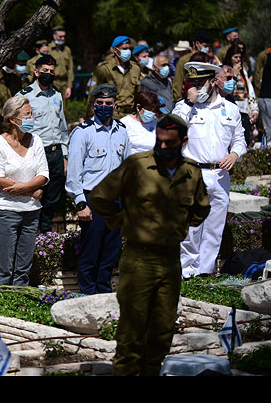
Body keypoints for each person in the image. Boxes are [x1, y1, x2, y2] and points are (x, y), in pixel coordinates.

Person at [88, 113, 210, 376]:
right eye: (160, 140)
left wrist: (178, 226)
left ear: (184, 141)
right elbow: (100, 197)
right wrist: (122, 221)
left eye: (170, 143)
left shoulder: (191, 172)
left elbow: (201, 209)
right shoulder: (137, 166)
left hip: (170, 260)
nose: (163, 147)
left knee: (162, 332)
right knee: (132, 334)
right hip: (138, 259)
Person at [173, 61, 247, 278]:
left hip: (220, 175)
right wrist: (188, 101)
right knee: (191, 229)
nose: (195, 88)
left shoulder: (230, 109)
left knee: (214, 228)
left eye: (200, 83)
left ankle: (204, 273)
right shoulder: (185, 107)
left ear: (213, 81)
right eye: (192, 83)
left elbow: (240, 140)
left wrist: (235, 154)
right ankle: (187, 273)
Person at [65, 83, 132, 295]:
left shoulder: (122, 131)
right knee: (90, 252)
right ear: (94, 104)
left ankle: (103, 292)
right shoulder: (83, 133)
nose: (104, 106)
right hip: (92, 199)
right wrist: (80, 203)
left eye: (108, 103)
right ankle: (88, 293)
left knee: (111, 252)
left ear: (115, 104)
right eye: (100, 103)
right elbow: (74, 172)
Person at [0, 96, 49, 289]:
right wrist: (30, 191)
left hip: (31, 212)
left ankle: (19, 305)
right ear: (12, 119)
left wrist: (21, 189)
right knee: (3, 266)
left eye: (31, 114)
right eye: (27, 114)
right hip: (4, 211)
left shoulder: (36, 140)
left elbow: (43, 175)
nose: (31, 117)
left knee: (23, 267)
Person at [16, 54, 69, 233]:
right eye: (45, 70)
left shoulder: (57, 95)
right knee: (35, 192)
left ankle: (45, 232)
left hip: (55, 153)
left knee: (53, 195)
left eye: (52, 71)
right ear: (36, 72)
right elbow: (17, 125)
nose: (49, 74)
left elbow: (62, 126)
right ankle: (32, 230)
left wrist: (65, 154)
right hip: (36, 152)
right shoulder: (25, 96)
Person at [87, 36, 142, 119]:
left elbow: (138, 94)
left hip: (130, 115)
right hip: (110, 115)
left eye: (129, 49)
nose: (128, 51)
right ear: (115, 50)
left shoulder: (135, 68)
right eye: (124, 48)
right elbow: (92, 95)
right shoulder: (104, 68)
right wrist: (90, 117)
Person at [225, 42, 258, 147]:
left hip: (244, 111)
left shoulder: (243, 71)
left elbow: (249, 90)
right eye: (235, 57)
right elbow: (227, 90)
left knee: (244, 141)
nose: (238, 60)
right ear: (230, 58)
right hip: (230, 111)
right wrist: (233, 75)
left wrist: (254, 109)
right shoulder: (224, 71)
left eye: (240, 57)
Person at [172, 29, 218, 102]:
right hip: (189, 98)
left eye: (209, 46)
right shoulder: (184, 60)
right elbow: (178, 83)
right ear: (197, 44)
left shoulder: (209, 58)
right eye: (205, 46)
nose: (208, 49)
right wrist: (178, 101)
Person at [120, 90, 162, 155]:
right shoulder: (124, 123)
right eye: (149, 109)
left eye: (153, 111)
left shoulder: (155, 125)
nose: (151, 113)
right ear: (138, 107)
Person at [47, 26, 75, 104]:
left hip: (64, 84)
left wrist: (69, 86)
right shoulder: (48, 49)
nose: (62, 38)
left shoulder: (67, 50)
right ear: (54, 36)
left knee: (63, 109)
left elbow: (70, 69)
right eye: (60, 36)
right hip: (52, 83)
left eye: (64, 36)